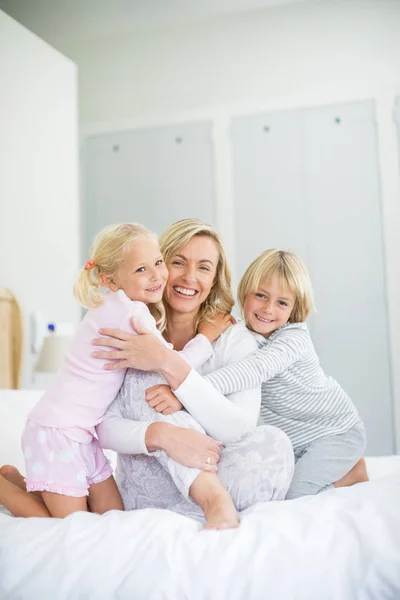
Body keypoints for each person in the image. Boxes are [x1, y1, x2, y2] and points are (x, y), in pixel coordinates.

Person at [18, 222, 232, 519]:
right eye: (141, 270)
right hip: (58, 431)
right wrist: (207, 336)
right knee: (71, 524)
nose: (157, 275)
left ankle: (14, 480)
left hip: (83, 433)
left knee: (113, 517)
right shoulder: (131, 314)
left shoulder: (112, 303)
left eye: (158, 263)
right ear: (110, 279)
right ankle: (5, 489)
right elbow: (173, 363)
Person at [94, 219, 295, 527]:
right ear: (158, 266)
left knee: (274, 443)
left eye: (203, 267)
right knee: (144, 373)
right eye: (178, 262)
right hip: (148, 488)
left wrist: (168, 363)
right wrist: (163, 436)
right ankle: (202, 511)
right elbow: (103, 429)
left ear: (214, 279)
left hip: (214, 474)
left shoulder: (234, 339)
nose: (189, 277)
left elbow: (238, 428)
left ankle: (204, 509)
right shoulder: (129, 328)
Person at [196, 249, 368, 499]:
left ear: (294, 307)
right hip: (296, 439)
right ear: (245, 294)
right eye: (261, 295)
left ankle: (353, 474)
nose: (268, 309)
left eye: (282, 303)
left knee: (294, 496)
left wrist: (190, 389)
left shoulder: (294, 339)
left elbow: (253, 370)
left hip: (335, 432)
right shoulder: (245, 336)